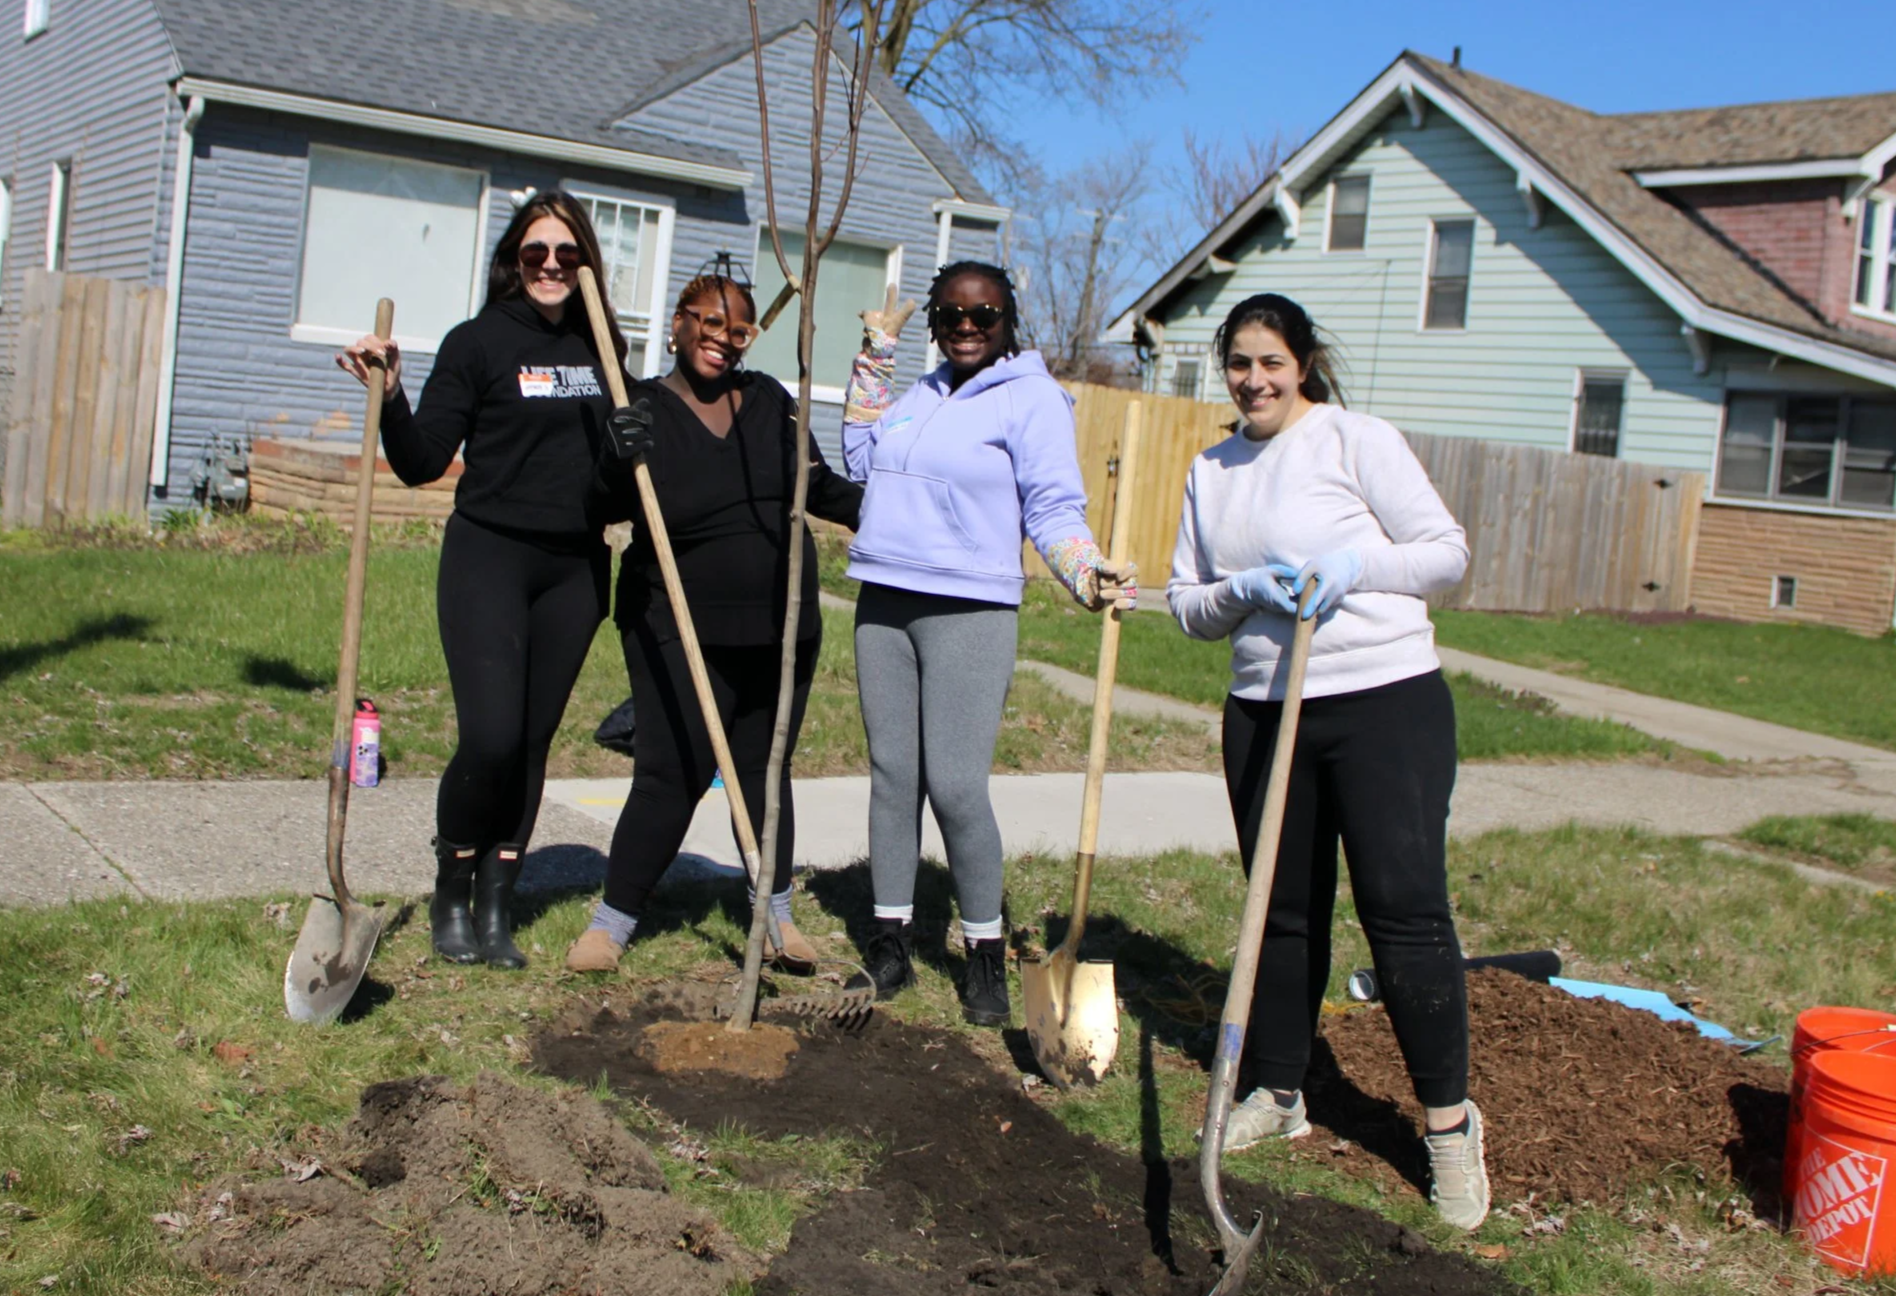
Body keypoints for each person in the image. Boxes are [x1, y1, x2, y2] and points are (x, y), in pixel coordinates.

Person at [1163, 292, 1486, 1229]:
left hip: (1384, 699)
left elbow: (1445, 555)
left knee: (1403, 908)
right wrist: (1239, 592)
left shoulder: (1356, 441)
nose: (1253, 380)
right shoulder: (1211, 469)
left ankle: (1449, 1128)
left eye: (1270, 362)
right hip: (1266, 709)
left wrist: (1355, 569)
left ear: (1301, 363)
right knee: (1281, 910)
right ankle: (1279, 1088)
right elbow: (1185, 603)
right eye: (1238, 364)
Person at [335, 191, 628, 970]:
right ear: (515, 261)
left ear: (588, 267)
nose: (553, 267)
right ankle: (450, 888)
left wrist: (632, 451)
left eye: (568, 255)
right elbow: (422, 460)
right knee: (492, 736)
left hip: (575, 568)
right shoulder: (478, 342)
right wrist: (390, 393)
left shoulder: (605, 351)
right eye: (537, 253)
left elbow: (617, 494)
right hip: (490, 556)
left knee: (531, 743)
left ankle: (498, 902)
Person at [839, 260, 1135, 1026]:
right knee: (893, 775)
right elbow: (860, 459)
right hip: (884, 601)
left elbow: (1054, 505)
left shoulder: (1033, 398)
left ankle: (983, 955)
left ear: (1009, 321)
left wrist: (1086, 572)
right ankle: (891, 941)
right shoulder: (920, 393)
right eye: (951, 315)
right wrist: (875, 354)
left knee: (958, 785)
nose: (967, 327)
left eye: (985, 314)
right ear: (935, 320)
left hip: (969, 609)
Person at [563, 273, 863, 974]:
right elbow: (600, 505)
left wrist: (897, 513)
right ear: (677, 324)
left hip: (780, 623)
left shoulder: (768, 402)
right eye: (707, 324)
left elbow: (817, 485)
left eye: (738, 330)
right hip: (676, 620)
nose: (721, 341)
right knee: (672, 772)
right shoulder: (639, 406)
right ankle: (613, 921)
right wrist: (615, 455)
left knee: (765, 770)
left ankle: (777, 913)